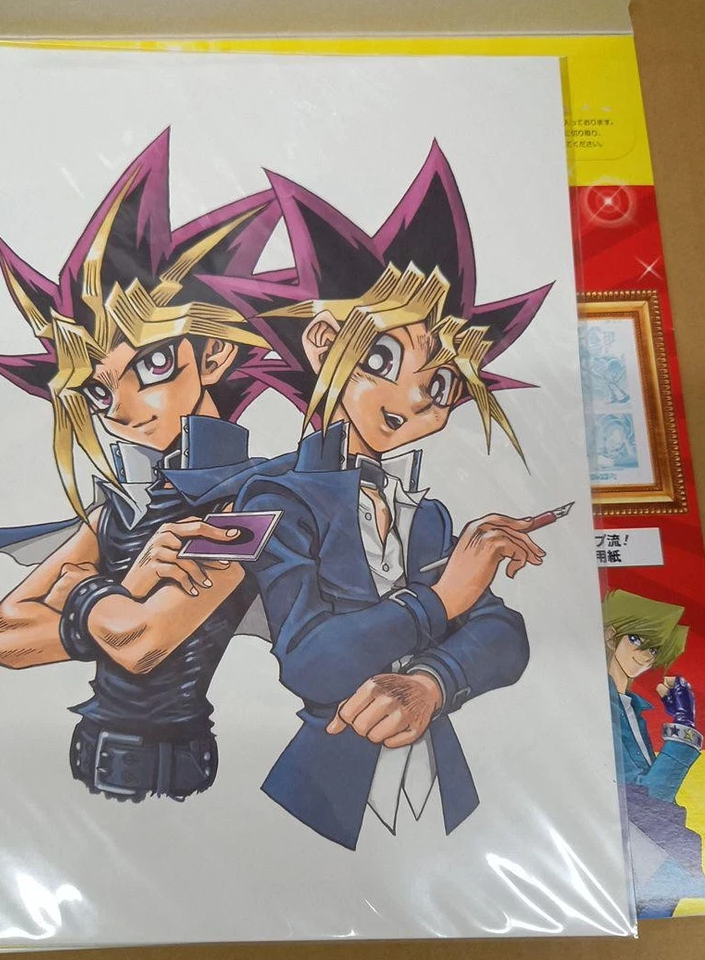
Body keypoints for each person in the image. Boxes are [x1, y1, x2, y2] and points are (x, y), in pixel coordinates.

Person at [0, 131, 300, 804]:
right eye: (100, 391)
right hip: (87, 768)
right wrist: (121, 588)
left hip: (177, 783)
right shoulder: (122, 505)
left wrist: (80, 590)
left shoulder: (249, 499)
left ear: (214, 356)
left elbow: (143, 642)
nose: (122, 410)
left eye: (152, 365)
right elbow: (0, 636)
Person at [209, 142, 554, 849]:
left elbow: (504, 635)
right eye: (383, 358)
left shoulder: (424, 515)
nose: (414, 397)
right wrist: (441, 601)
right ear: (323, 342)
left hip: (442, 795)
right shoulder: (275, 498)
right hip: (325, 793)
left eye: (441, 384)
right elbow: (312, 662)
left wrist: (432, 682)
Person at [603, 588, 705, 916]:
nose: (645, 656)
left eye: (653, 648)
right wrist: (683, 729)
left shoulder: (629, 706)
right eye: (636, 639)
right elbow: (642, 795)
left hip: (651, 851)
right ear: (610, 635)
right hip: (629, 854)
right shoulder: (598, 704)